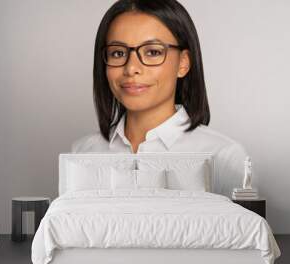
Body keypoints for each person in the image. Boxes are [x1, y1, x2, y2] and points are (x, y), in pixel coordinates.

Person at [71, 0, 248, 197]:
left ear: (183, 63)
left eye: (153, 52)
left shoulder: (224, 157)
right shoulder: (83, 152)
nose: (131, 68)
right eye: (118, 53)